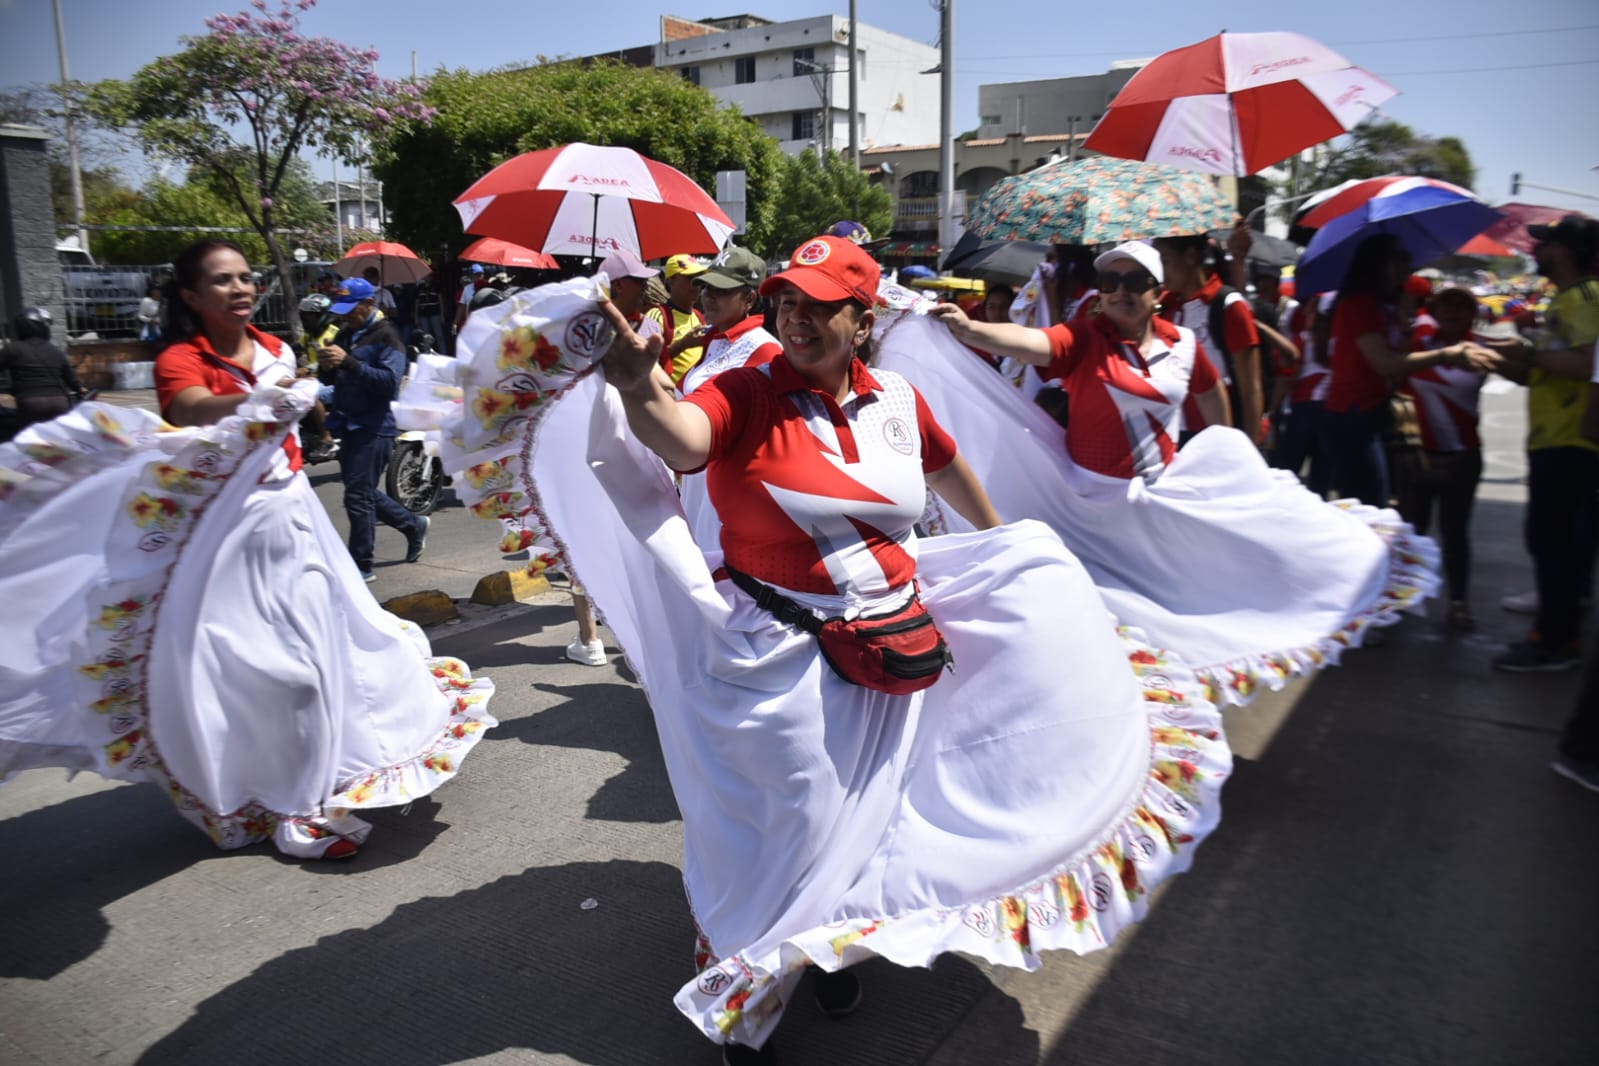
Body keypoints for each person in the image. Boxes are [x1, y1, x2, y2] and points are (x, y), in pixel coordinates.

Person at [0, 238, 497, 861]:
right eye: (221, 280)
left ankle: (323, 785)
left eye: (244, 277)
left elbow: (306, 412)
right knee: (269, 675)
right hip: (226, 531)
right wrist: (258, 401)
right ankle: (287, 803)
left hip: (294, 518)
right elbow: (190, 406)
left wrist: (315, 404)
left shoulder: (277, 349)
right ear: (190, 296)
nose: (239, 288)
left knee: (334, 656)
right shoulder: (181, 357)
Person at [932, 241, 1229, 481]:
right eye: (1110, 281)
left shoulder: (1184, 343)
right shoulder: (1084, 338)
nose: (1121, 291)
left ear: (1158, 293)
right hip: (1091, 500)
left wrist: (1222, 453)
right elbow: (1029, 340)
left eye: (1136, 281)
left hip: (1159, 497)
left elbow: (1211, 391)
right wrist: (970, 329)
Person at [1482, 215, 1599, 672]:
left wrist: (1529, 353)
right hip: (1556, 439)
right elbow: (1549, 370)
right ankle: (1556, 630)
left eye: (1546, 245)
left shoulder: (1586, 298)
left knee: (1554, 543)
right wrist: (1497, 359)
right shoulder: (1570, 299)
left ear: (1565, 252)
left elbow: (1587, 364)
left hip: (1574, 442)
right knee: (1551, 542)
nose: (1538, 252)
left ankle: (1555, 642)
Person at [1320, 234, 1494, 508]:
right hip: (1352, 416)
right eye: (1399, 260)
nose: (1407, 267)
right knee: (1371, 509)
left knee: (1384, 507)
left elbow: (1396, 371)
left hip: (1374, 411)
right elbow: (1385, 364)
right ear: (1378, 264)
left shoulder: (1384, 307)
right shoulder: (1358, 304)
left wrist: (1403, 321)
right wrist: (1445, 355)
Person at [1392, 288, 1500, 631]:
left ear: (1473, 313)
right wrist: (1407, 450)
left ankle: (1458, 604)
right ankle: (1396, 601)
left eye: (1461, 306)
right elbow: (1398, 392)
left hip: (1462, 458)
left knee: (1455, 534)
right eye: (1445, 304)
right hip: (1417, 456)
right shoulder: (1418, 342)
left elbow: (1523, 372)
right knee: (1410, 533)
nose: (1452, 311)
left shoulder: (1483, 350)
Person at [320, 276, 430, 581]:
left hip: (375, 425)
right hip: (347, 422)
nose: (344, 315)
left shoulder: (388, 335)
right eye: (341, 309)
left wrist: (349, 363)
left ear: (369, 304)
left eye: (351, 308)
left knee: (357, 497)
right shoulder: (344, 334)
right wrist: (326, 367)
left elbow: (388, 383)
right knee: (362, 492)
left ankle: (361, 565)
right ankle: (412, 524)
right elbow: (336, 379)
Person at [1155, 233, 1264, 444]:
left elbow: (1251, 390)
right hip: (1171, 437)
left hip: (1216, 439)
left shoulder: (1229, 306)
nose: (1160, 271)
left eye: (1165, 261)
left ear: (1190, 256)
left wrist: (1249, 449)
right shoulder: (1163, 307)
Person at [0, 307, 86, 429]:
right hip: (59, 403)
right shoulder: (55, 351)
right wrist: (80, 389)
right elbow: (73, 380)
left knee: (27, 440)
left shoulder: (12, 349)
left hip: (30, 404)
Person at [643, 253, 708, 386]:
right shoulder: (657, 315)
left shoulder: (700, 317)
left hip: (695, 397)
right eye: (689, 278)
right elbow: (644, 361)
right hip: (669, 398)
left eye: (698, 279)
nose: (696, 284)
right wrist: (683, 344)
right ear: (671, 281)